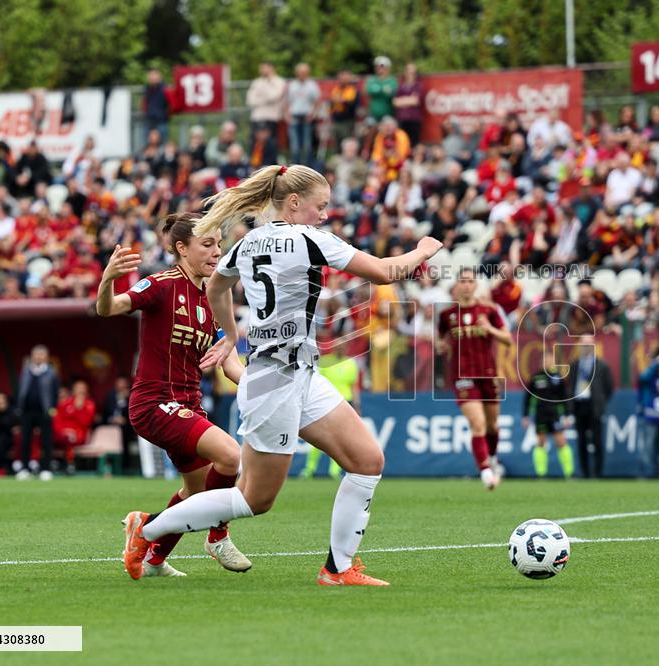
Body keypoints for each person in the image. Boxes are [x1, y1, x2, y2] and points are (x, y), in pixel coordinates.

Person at [121, 164, 444, 586]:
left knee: (366, 460)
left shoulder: (246, 243)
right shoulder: (310, 239)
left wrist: (230, 334)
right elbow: (385, 272)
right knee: (254, 500)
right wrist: (423, 250)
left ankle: (338, 569)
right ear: (294, 203)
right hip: (275, 380)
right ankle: (146, 529)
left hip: (299, 373)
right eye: (320, 206)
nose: (324, 215)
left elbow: (217, 287)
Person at [98, 212, 250, 578]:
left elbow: (228, 362)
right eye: (208, 244)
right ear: (182, 248)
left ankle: (152, 558)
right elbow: (108, 308)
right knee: (231, 457)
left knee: (196, 493)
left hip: (188, 405)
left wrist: (258, 390)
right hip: (154, 402)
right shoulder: (161, 285)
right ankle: (217, 535)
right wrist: (108, 279)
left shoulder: (214, 296)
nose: (217, 252)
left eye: (219, 244)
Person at [437, 267, 514, 490]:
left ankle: (492, 458)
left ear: (476, 285)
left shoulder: (488, 311)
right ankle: (486, 472)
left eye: (470, 281)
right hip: (462, 376)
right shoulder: (447, 316)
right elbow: (440, 339)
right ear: (457, 285)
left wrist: (489, 328)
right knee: (477, 424)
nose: (467, 285)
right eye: (463, 281)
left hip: (487, 374)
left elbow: (508, 339)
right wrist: (440, 345)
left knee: (492, 425)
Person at [300, 339, 359, 480]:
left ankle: (334, 471)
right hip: (326, 402)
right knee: (319, 436)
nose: (341, 348)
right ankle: (309, 469)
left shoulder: (351, 363)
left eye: (343, 346)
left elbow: (354, 385)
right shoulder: (325, 362)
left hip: (346, 401)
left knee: (341, 438)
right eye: (338, 346)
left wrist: (357, 405)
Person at [523, 348, 574, 479]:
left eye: (549, 359)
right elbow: (528, 398)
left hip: (555, 414)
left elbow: (565, 397)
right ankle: (541, 473)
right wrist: (526, 416)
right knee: (541, 442)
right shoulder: (536, 378)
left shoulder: (558, 378)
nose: (547, 362)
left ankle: (569, 473)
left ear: (554, 361)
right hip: (541, 414)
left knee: (561, 441)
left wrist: (568, 415)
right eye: (545, 360)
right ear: (541, 362)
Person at [567, 335, 614, 478]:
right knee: (581, 441)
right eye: (583, 344)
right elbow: (570, 386)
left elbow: (609, 387)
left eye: (589, 344)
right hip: (579, 405)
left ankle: (598, 472)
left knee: (597, 441)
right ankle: (585, 472)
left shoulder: (602, 365)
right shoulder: (574, 365)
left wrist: (601, 402)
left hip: (594, 406)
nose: (586, 347)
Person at [15, 344, 59, 480]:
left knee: (45, 441)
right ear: (32, 356)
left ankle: (45, 469)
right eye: (36, 354)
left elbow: (55, 392)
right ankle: (24, 469)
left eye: (42, 354)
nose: (39, 357)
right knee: (25, 441)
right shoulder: (26, 370)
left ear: (46, 357)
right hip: (27, 411)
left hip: (44, 411)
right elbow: (21, 389)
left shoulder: (51, 372)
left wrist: (52, 408)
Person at [52, 379, 96, 475]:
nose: (80, 391)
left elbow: (86, 423)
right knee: (46, 435)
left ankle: (68, 464)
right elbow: (57, 421)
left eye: (82, 388)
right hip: (62, 433)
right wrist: (63, 431)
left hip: (79, 434)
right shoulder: (65, 403)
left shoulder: (89, 405)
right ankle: (47, 463)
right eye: (78, 388)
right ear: (73, 390)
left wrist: (79, 408)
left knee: (70, 438)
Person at [286, 63, 321, 166]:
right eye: (300, 72)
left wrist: (313, 114)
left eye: (304, 72)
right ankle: (295, 167)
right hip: (294, 117)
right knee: (295, 146)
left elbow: (317, 101)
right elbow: (288, 101)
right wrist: (287, 115)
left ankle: (307, 167)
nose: (302, 74)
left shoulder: (312, 85)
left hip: (307, 118)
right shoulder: (292, 85)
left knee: (307, 145)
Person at [246, 63, 287, 151]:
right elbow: (250, 100)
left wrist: (261, 96)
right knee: (254, 143)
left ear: (271, 68)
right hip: (257, 117)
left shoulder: (279, 82)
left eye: (264, 68)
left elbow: (275, 96)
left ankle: (271, 164)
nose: (262, 71)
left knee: (270, 144)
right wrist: (266, 99)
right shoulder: (257, 82)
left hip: (272, 118)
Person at [102, 376, 134, 474]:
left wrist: (124, 401)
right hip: (110, 425)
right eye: (120, 384)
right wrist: (113, 419)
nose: (121, 387)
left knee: (122, 432)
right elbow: (106, 412)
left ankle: (124, 466)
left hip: (125, 428)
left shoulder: (130, 397)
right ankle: (107, 465)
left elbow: (131, 414)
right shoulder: (110, 396)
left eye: (124, 385)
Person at [393, 63, 424, 147]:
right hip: (402, 119)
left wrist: (402, 100)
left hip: (414, 119)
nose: (411, 74)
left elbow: (415, 101)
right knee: (402, 143)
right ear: (405, 73)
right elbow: (395, 102)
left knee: (414, 144)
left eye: (413, 72)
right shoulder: (401, 86)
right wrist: (409, 99)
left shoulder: (419, 85)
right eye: (409, 72)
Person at [0, 392, 18, 474]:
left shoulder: (12, 413)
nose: (1, 404)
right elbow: (0, 426)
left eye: (2, 402)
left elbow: (14, 425)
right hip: (1, 439)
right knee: (1, 444)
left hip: (13, 440)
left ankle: (2, 468)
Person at [365, 56, 398, 123]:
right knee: (369, 126)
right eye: (377, 66)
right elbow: (369, 91)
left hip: (388, 114)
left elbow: (391, 93)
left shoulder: (392, 80)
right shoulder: (372, 80)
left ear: (388, 68)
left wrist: (377, 90)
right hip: (373, 114)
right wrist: (383, 89)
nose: (379, 69)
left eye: (382, 66)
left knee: (388, 127)